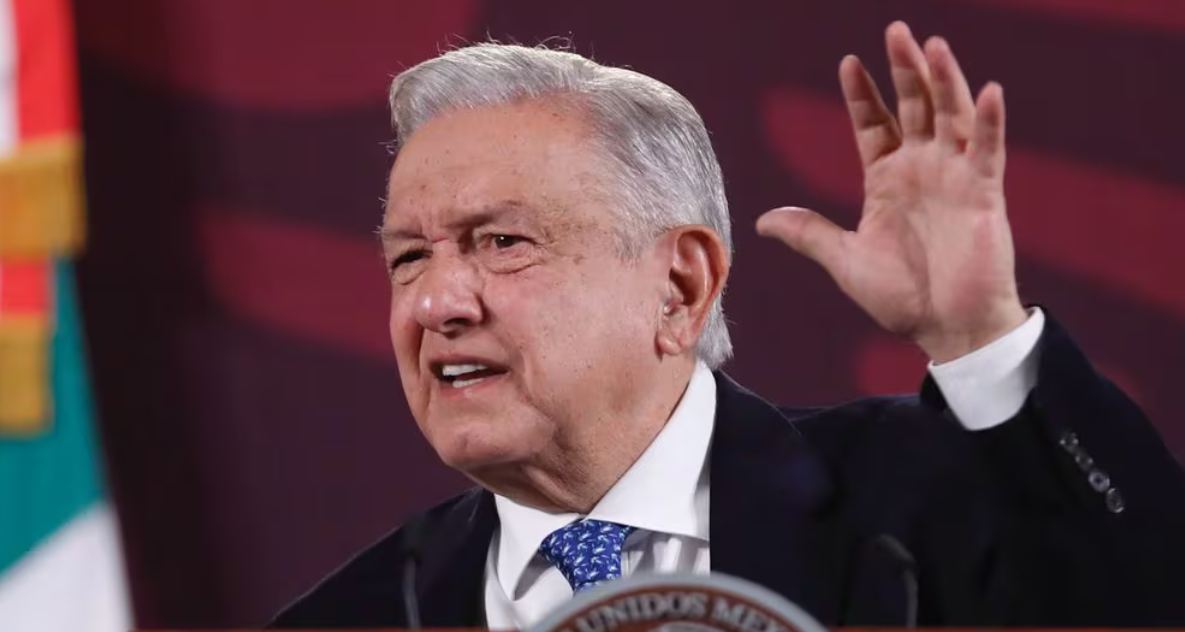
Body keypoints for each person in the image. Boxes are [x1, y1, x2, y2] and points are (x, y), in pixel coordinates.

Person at [270, 22, 1185, 629]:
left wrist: (981, 337)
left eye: (501, 242)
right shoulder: (348, 618)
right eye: (409, 257)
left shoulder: (925, 499)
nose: (435, 303)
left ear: (679, 286)